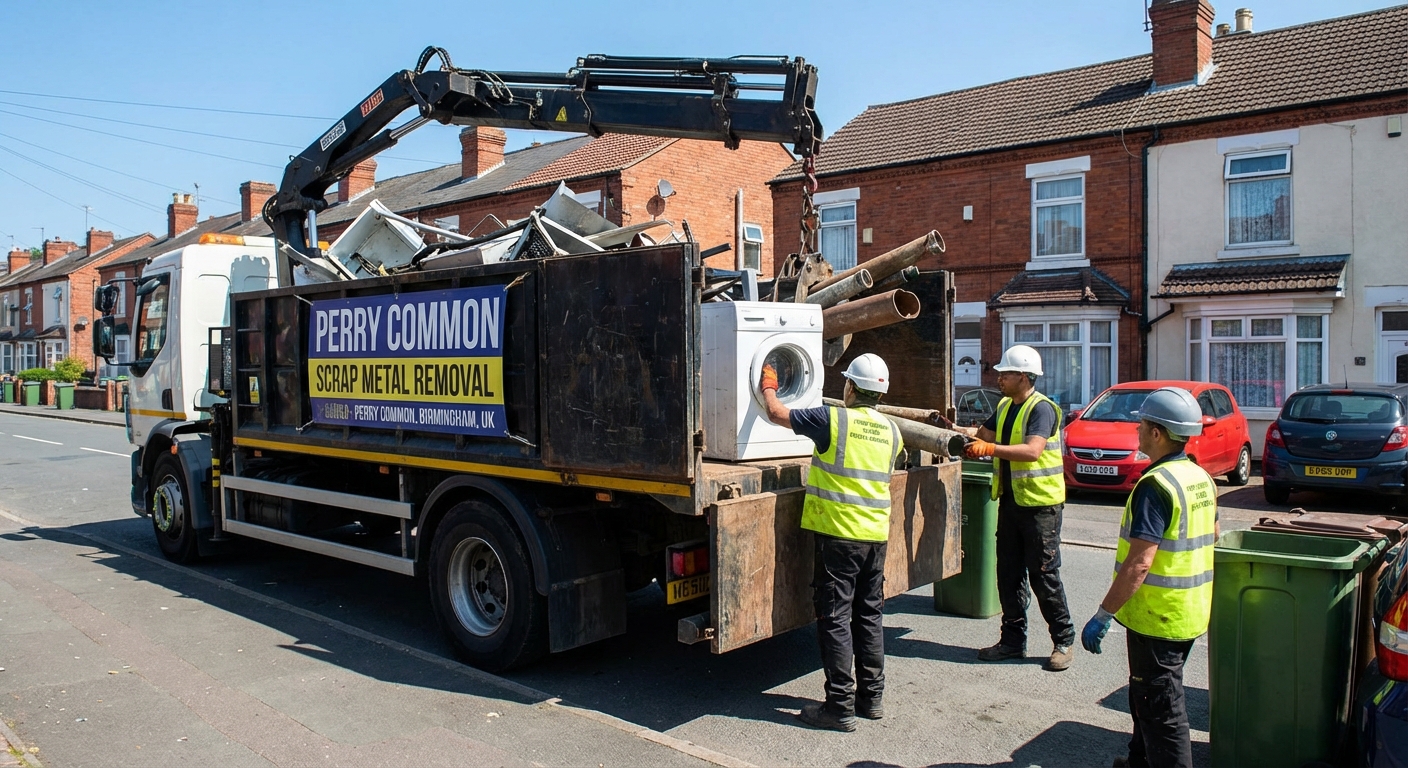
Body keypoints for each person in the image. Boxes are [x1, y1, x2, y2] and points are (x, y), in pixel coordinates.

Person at [760, 352, 903, 732]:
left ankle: (839, 706)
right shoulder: (893, 431)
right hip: (875, 536)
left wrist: (769, 382)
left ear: (851, 387)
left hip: (840, 536)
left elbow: (776, 413)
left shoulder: (832, 419)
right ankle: (871, 699)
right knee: (870, 616)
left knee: (836, 617)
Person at [1081, 387, 1218, 768]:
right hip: (1189, 613)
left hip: (1158, 618)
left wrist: (1103, 614)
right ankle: (1138, 761)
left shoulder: (1155, 486)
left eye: (1141, 425)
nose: (1137, 431)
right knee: (1147, 695)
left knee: (1163, 712)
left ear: (1157, 433)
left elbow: (1140, 563)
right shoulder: (1199, 478)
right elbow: (1213, 536)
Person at [956, 344, 1075, 671]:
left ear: (1023, 376)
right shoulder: (1007, 406)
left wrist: (989, 447)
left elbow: (1033, 451)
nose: (999, 378)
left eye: (1005, 373)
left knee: (1043, 575)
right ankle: (1012, 641)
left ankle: (1063, 639)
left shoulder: (1042, 409)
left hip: (1041, 508)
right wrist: (955, 433)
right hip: (1011, 502)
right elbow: (980, 434)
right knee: (1008, 574)